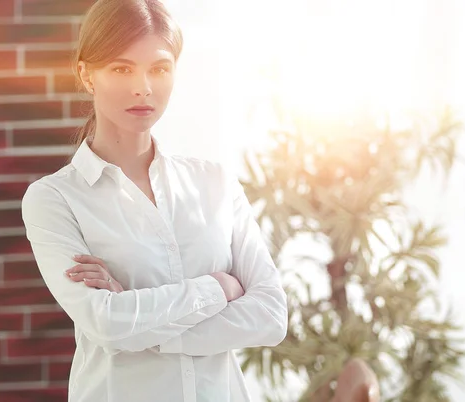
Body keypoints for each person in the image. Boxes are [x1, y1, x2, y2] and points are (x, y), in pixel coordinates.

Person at [20, 1, 288, 401]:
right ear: (86, 74)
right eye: (122, 68)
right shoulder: (54, 199)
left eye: (159, 68)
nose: (143, 86)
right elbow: (106, 323)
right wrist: (217, 288)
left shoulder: (214, 182)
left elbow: (269, 315)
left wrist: (137, 320)